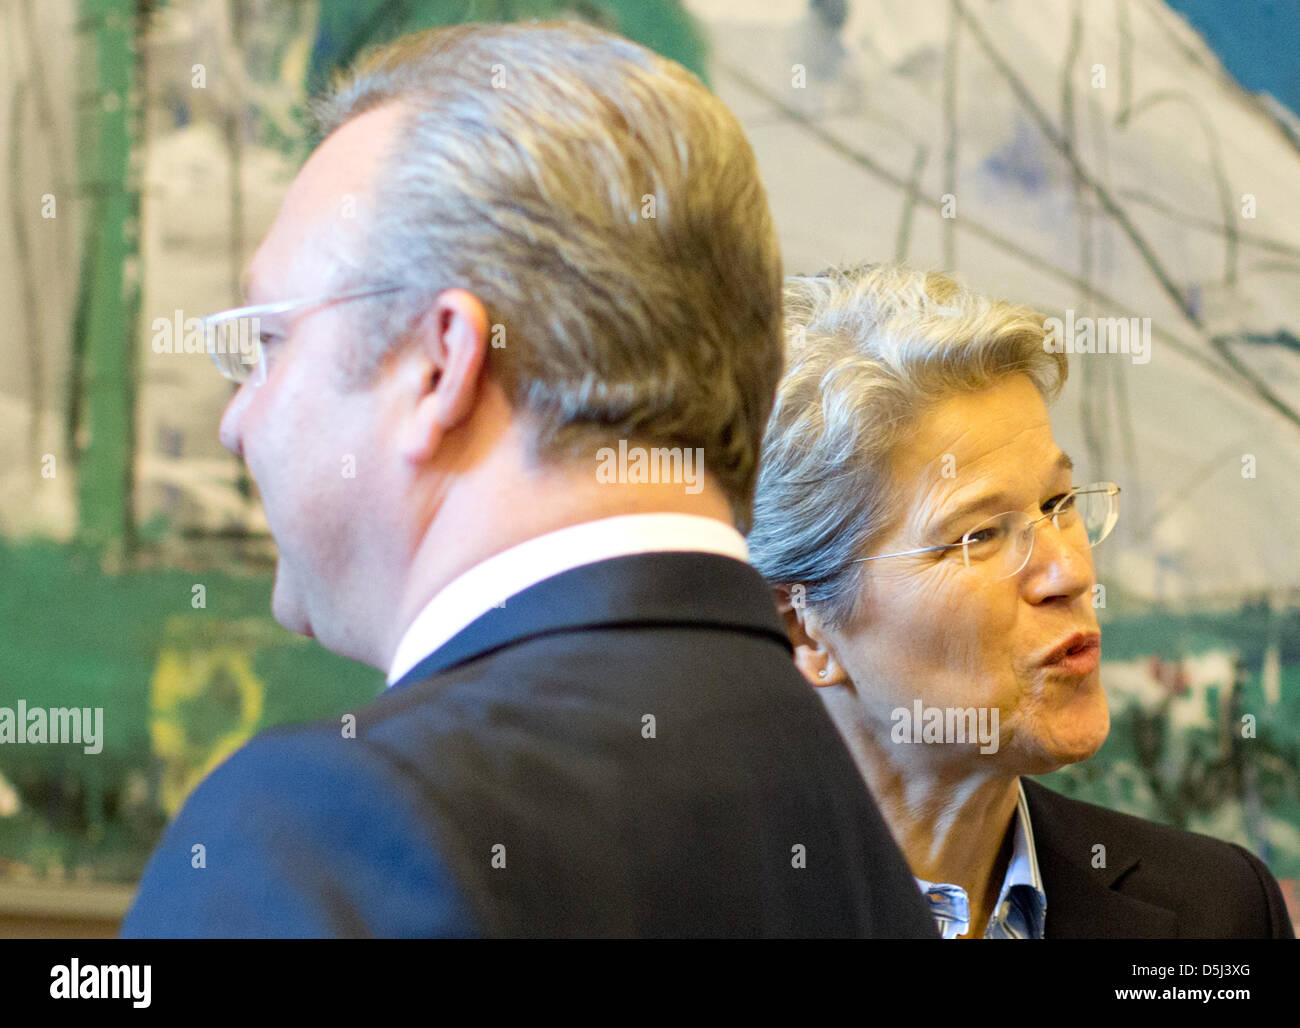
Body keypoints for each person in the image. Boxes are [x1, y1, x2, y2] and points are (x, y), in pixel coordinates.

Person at [120, 23, 937, 938]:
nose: (237, 420)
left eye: (269, 342)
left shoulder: (322, 830)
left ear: (439, 365)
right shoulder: (855, 822)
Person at [748, 263, 1295, 939]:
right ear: (805, 629)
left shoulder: (1216, 910)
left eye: (1058, 502)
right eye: (978, 535)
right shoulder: (652, 911)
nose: (1067, 572)